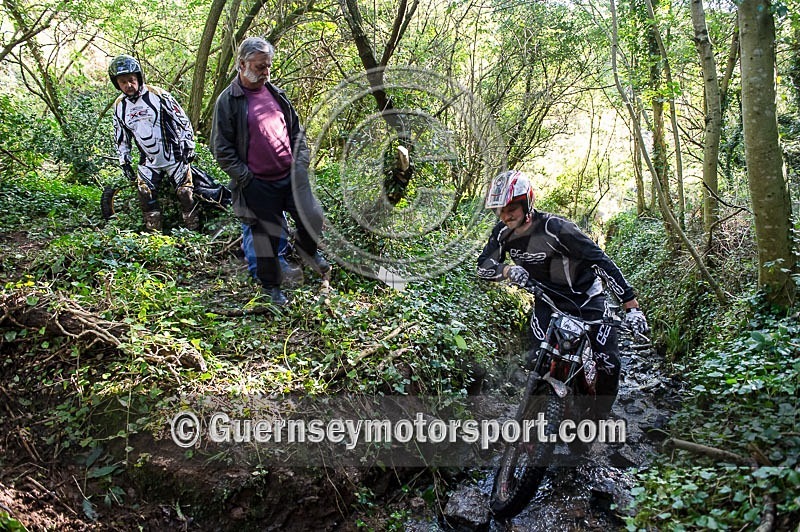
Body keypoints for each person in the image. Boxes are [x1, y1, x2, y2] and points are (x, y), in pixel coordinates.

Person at [477, 170, 649, 418]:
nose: (505, 216)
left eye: (511, 208)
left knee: (609, 364)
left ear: (527, 203)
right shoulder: (502, 234)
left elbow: (601, 261)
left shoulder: (557, 229)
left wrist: (631, 307)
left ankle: (597, 420)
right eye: (500, 210)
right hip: (547, 301)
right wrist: (506, 271)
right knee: (537, 358)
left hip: (586, 299)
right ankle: (539, 413)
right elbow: (483, 265)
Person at [210, 37, 329, 306]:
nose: (266, 72)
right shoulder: (228, 101)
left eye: (268, 67)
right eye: (260, 67)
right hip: (258, 182)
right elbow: (221, 148)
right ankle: (271, 287)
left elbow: (296, 131)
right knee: (265, 238)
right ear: (242, 64)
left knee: (313, 216)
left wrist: (301, 163)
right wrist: (246, 178)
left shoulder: (275, 93)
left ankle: (306, 253)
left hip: (290, 176)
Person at [109, 54, 198, 232]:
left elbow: (182, 120)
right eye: (123, 82)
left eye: (131, 80)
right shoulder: (120, 106)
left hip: (174, 155)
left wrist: (189, 143)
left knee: (184, 194)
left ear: (139, 77)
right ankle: (154, 238)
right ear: (116, 83)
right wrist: (124, 160)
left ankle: (194, 234)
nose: (128, 85)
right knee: (144, 193)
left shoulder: (159, 95)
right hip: (148, 160)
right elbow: (121, 135)